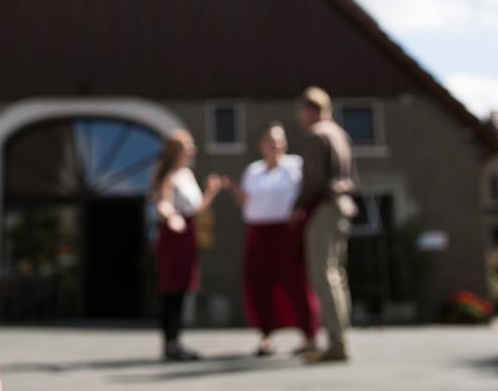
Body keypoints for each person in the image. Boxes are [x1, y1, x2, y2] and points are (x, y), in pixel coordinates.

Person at [227, 122, 319, 357]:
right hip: (258, 232)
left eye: (279, 139)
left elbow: (308, 192)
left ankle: (309, 335)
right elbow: (245, 202)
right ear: (262, 145)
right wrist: (231, 189)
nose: (275, 144)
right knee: (259, 284)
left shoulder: (295, 166)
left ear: (285, 143)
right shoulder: (253, 171)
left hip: (286, 232)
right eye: (270, 139)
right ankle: (266, 336)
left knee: (296, 282)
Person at [291, 87, 356, 364]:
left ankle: (337, 344)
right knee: (337, 275)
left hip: (325, 208)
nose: (300, 118)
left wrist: (299, 206)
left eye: (301, 112)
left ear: (310, 110)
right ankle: (341, 338)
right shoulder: (340, 134)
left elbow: (313, 178)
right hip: (343, 207)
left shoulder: (317, 134)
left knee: (323, 275)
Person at [149, 129, 223, 362]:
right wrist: (171, 217)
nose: (193, 148)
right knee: (171, 291)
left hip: (188, 234)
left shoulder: (188, 175)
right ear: (178, 150)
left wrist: (211, 191)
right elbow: (162, 204)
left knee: (183, 290)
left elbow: (198, 208)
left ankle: (176, 342)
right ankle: (169, 344)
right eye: (188, 145)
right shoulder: (168, 176)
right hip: (173, 236)